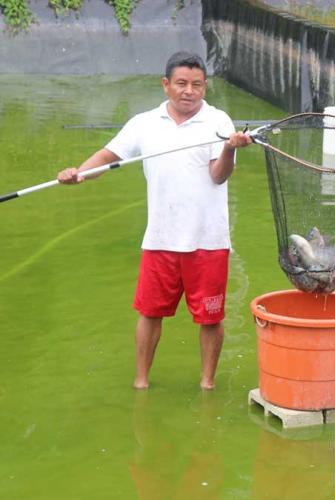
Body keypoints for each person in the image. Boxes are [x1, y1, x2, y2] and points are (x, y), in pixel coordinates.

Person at [57, 51, 253, 390]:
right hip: (160, 239)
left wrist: (230, 149)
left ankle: (207, 383)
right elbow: (108, 156)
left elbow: (219, 177)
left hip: (208, 240)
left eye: (196, 85)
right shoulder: (143, 123)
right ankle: (141, 382)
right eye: (181, 84)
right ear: (166, 85)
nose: (188, 91)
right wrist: (79, 173)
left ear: (205, 87)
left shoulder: (219, 121)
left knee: (210, 318)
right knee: (149, 313)